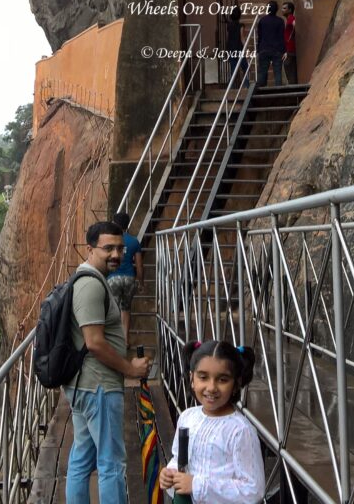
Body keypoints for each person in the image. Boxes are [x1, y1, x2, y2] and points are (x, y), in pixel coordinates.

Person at [65, 221, 151, 504]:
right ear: (90, 249)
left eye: (120, 248)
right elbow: (95, 342)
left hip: (85, 385)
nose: (116, 254)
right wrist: (130, 369)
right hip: (98, 386)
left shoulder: (91, 279)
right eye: (108, 248)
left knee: (82, 457)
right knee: (112, 463)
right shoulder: (91, 285)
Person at [160, 341, 264, 504]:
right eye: (203, 377)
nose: (211, 387)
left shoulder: (240, 430)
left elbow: (254, 490)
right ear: (192, 378)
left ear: (236, 384)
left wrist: (197, 485)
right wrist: (170, 473)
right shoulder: (187, 417)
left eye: (222, 380)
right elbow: (179, 459)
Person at [107, 212, 144, 345]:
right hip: (129, 278)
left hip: (113, 279)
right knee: (126, 309)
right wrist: (141, 282)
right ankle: (126, 341)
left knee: (112, 310)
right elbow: (139, 265)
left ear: (114, 224)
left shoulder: (110, 240)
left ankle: (113, 342)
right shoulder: (134, 241)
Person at [255, 1, 285, 87]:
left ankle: (261, 90)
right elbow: (282, 37)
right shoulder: (280, 21)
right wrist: (284, 50)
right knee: (278, 72)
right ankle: (279, 91)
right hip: (277, 49)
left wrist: (258, 49)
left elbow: (260, 36)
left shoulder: (262, 21)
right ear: (276, 9)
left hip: (264, 48)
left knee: (262, 72)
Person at [225, 6, 246, 84]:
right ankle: (246, 85)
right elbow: (242, 38)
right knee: (245, 67)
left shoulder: (229, 26)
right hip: (239, 49)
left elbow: (228, 38)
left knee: (233, 69)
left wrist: (227, 49)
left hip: (231, 49)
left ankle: (231, 86)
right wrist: (246, 48)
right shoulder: (241, 26)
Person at [282, 1, 297, 84]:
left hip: (291, 49)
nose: (282, 10)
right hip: (289, 49)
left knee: (289, 67)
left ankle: (293, 87)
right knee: (289, 68)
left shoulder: (291, 18)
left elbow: (295, 24)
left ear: (290, 10)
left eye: (284, 8)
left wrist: (292, 35)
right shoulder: (288, 19)